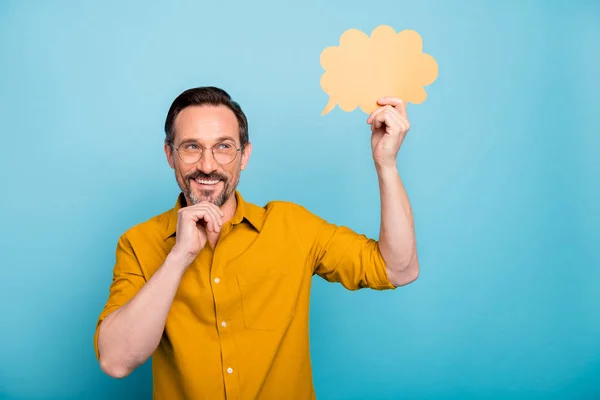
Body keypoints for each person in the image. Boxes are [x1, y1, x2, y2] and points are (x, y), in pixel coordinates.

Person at [94, 86, 419, 399]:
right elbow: (116, 361)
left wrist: (385, 163)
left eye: (223, 147)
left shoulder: (293, 227)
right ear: (170, 154)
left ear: (244, 155)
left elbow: (398, 269)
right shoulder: (138, 243)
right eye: (192, 147)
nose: (207, 165)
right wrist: (178, 257)